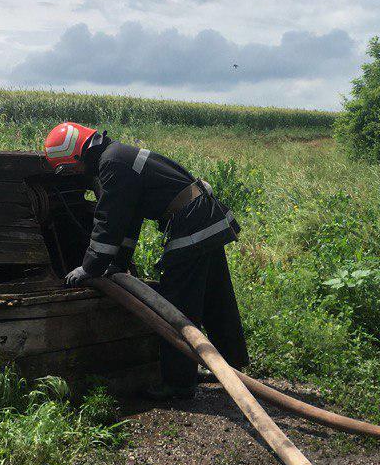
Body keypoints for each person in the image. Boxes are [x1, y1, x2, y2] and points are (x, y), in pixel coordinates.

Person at [42, 121, 249, 401]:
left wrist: (89, 268)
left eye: (71, 168)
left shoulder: (111, 164)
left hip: (191, 223)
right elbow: (129, 220)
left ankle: (179, 385)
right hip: (204, 218)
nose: (75, 174)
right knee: (216, 296)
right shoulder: (118, 156)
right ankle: (231, 365)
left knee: (177, 305)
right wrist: (118, 262)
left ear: (79, 155)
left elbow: (109, 221)